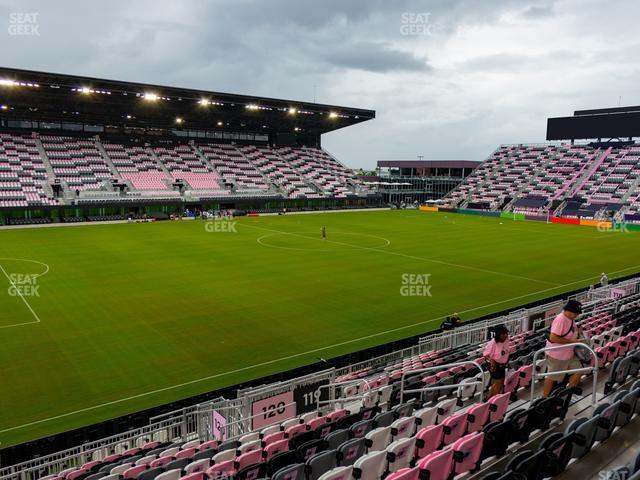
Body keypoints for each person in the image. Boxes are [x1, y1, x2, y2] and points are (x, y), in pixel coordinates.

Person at [543, 299, 587, 397]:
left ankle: (568, 393)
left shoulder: (570, 319)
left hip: (568, 354)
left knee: (579, 371)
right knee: (552, 377)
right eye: (575, 313)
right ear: (568, 310)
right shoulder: (561, 319)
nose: (576, 315)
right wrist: (572, 341)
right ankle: (544, 399)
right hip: (557, 355)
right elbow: (553, 337)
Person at [484, 324, 510, 398]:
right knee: (498, 383)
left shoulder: (506, 339)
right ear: (498, 334)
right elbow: (486, 354)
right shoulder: (493, 343)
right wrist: (492, 361)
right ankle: (491, 400)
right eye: (503, 334)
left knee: (501, 382)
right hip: (494, 365)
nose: (505, 335)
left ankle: (492, 397)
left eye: (506, 333)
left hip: (502, 364)